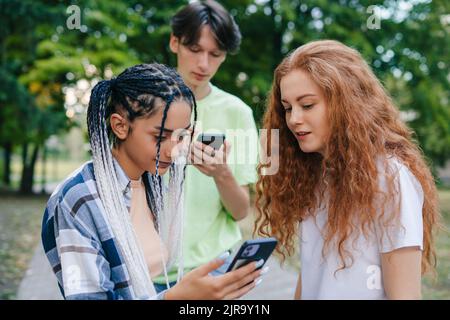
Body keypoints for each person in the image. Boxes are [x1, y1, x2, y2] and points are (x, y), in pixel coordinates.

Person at [41, 63, 264, 300]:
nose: (173, 150)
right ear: (120, 126)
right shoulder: (78, 199)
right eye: (160, 137)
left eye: (182, 135)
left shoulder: (154, 181)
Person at [255, 40, 441, 299]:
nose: (294, 119)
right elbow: (312, 277)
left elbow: (405, 295)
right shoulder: (313, 175)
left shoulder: (390, 178)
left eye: (307, 105)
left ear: (346, 103)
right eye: (288, 108)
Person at [153, 0, 260, 292]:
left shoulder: (237, 113)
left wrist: (221, 173)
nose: (204, 64)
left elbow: (240, 212)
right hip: (147, 269)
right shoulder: (144, 104)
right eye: (195, 50)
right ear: (175, 42)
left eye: (216, 54)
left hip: (214, 267)